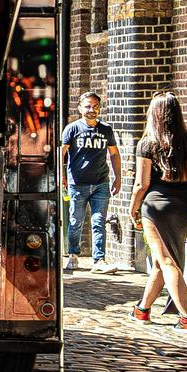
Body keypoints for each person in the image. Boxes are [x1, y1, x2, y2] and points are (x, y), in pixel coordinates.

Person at [127, 91, 187, 335]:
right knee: (163, 261)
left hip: (157, 206)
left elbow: (141, 184)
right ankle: (142, 309)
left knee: (167, 261)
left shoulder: (148, 143)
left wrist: (133, 210)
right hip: (185, 203)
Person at [60, 91, 124, 273]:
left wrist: (118, 177)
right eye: (87, 106)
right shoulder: (72, 129)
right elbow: (61, 153)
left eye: (95, 106)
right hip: (77, 183)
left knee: (99, 221)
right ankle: (73, 256)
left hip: (101, 183)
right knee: (75, 221)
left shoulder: (106, 129)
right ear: (80, 108)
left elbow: (114, 154)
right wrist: (61, 176)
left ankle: (99, 260)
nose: (91, 109)